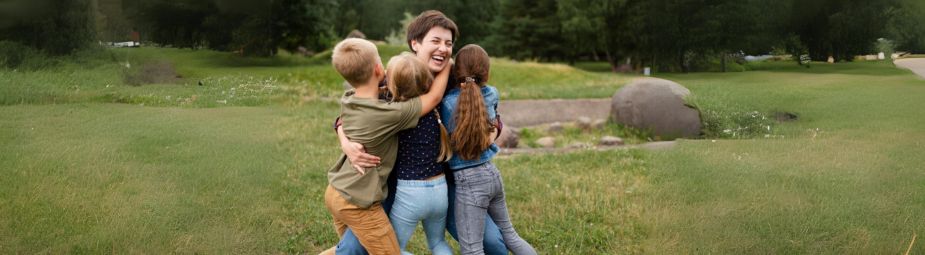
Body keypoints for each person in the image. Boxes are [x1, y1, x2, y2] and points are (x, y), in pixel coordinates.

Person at [330, 10, 509, 255]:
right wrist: (345, 141)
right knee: (351, 249)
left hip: (448, 181)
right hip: (393, 182)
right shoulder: (395, 76)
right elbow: (353, 113)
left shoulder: (458, 80)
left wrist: (494, 131)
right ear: (415, 43)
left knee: (493, 243)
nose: (443, 49)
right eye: (436, 41)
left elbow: (490, 113)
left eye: (448, 43)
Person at [323, 38, 450, 255]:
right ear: (377, 69)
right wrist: (448, 62)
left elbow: (341, 121)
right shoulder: (389, 114)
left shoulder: (350, 97)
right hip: (358, 202)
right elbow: (434, 97)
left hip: (335, 191)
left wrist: (344, 140)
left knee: (351, 252)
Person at [442, 44, 536, 255]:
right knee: (511, 235)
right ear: (486, 72)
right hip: (492, 173)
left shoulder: (448, 103)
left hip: (468, 180)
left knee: (472, 249)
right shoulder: (492, 93)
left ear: (456, 72)